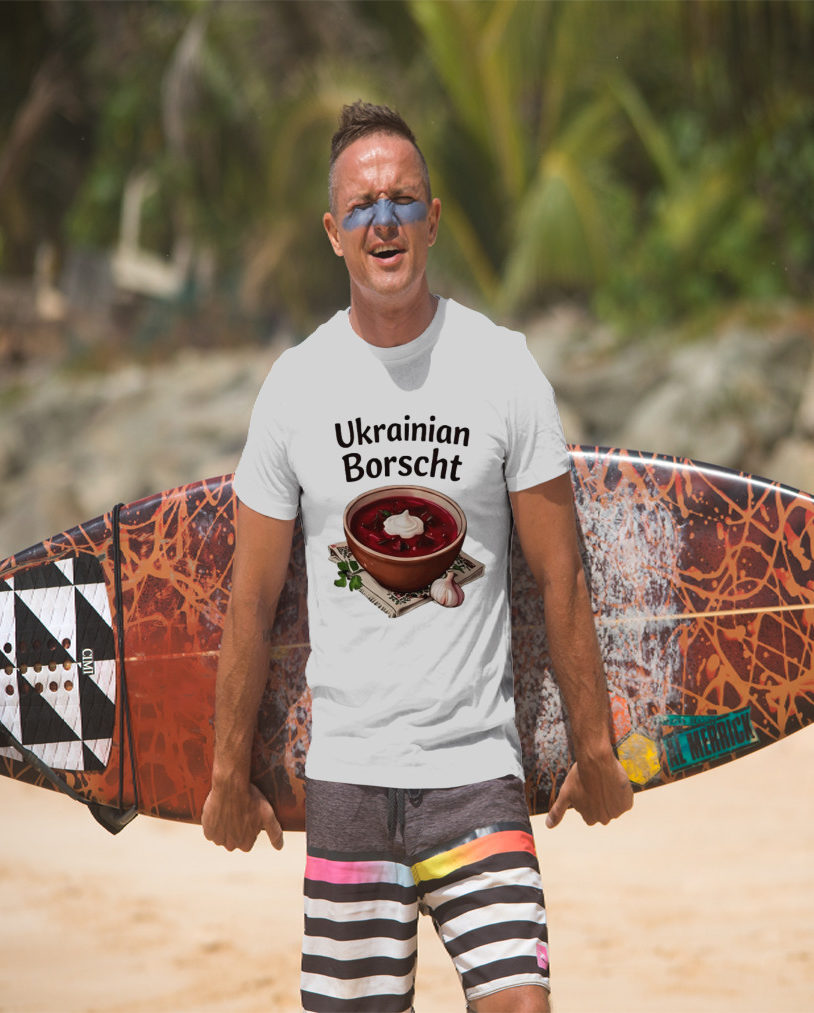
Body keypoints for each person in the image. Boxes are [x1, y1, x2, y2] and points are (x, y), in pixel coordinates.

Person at [202, 100, 633, 1013]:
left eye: (403, 200)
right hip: (350, 778)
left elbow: (561, 574)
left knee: (522, 1003)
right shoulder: (296, 387)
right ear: (333, 232)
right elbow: (251, 599)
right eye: (362, 206)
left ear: (433, 219)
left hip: (477, 772)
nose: (384, 220)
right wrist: (224, 772)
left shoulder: (504, 368)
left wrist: (594, 746)